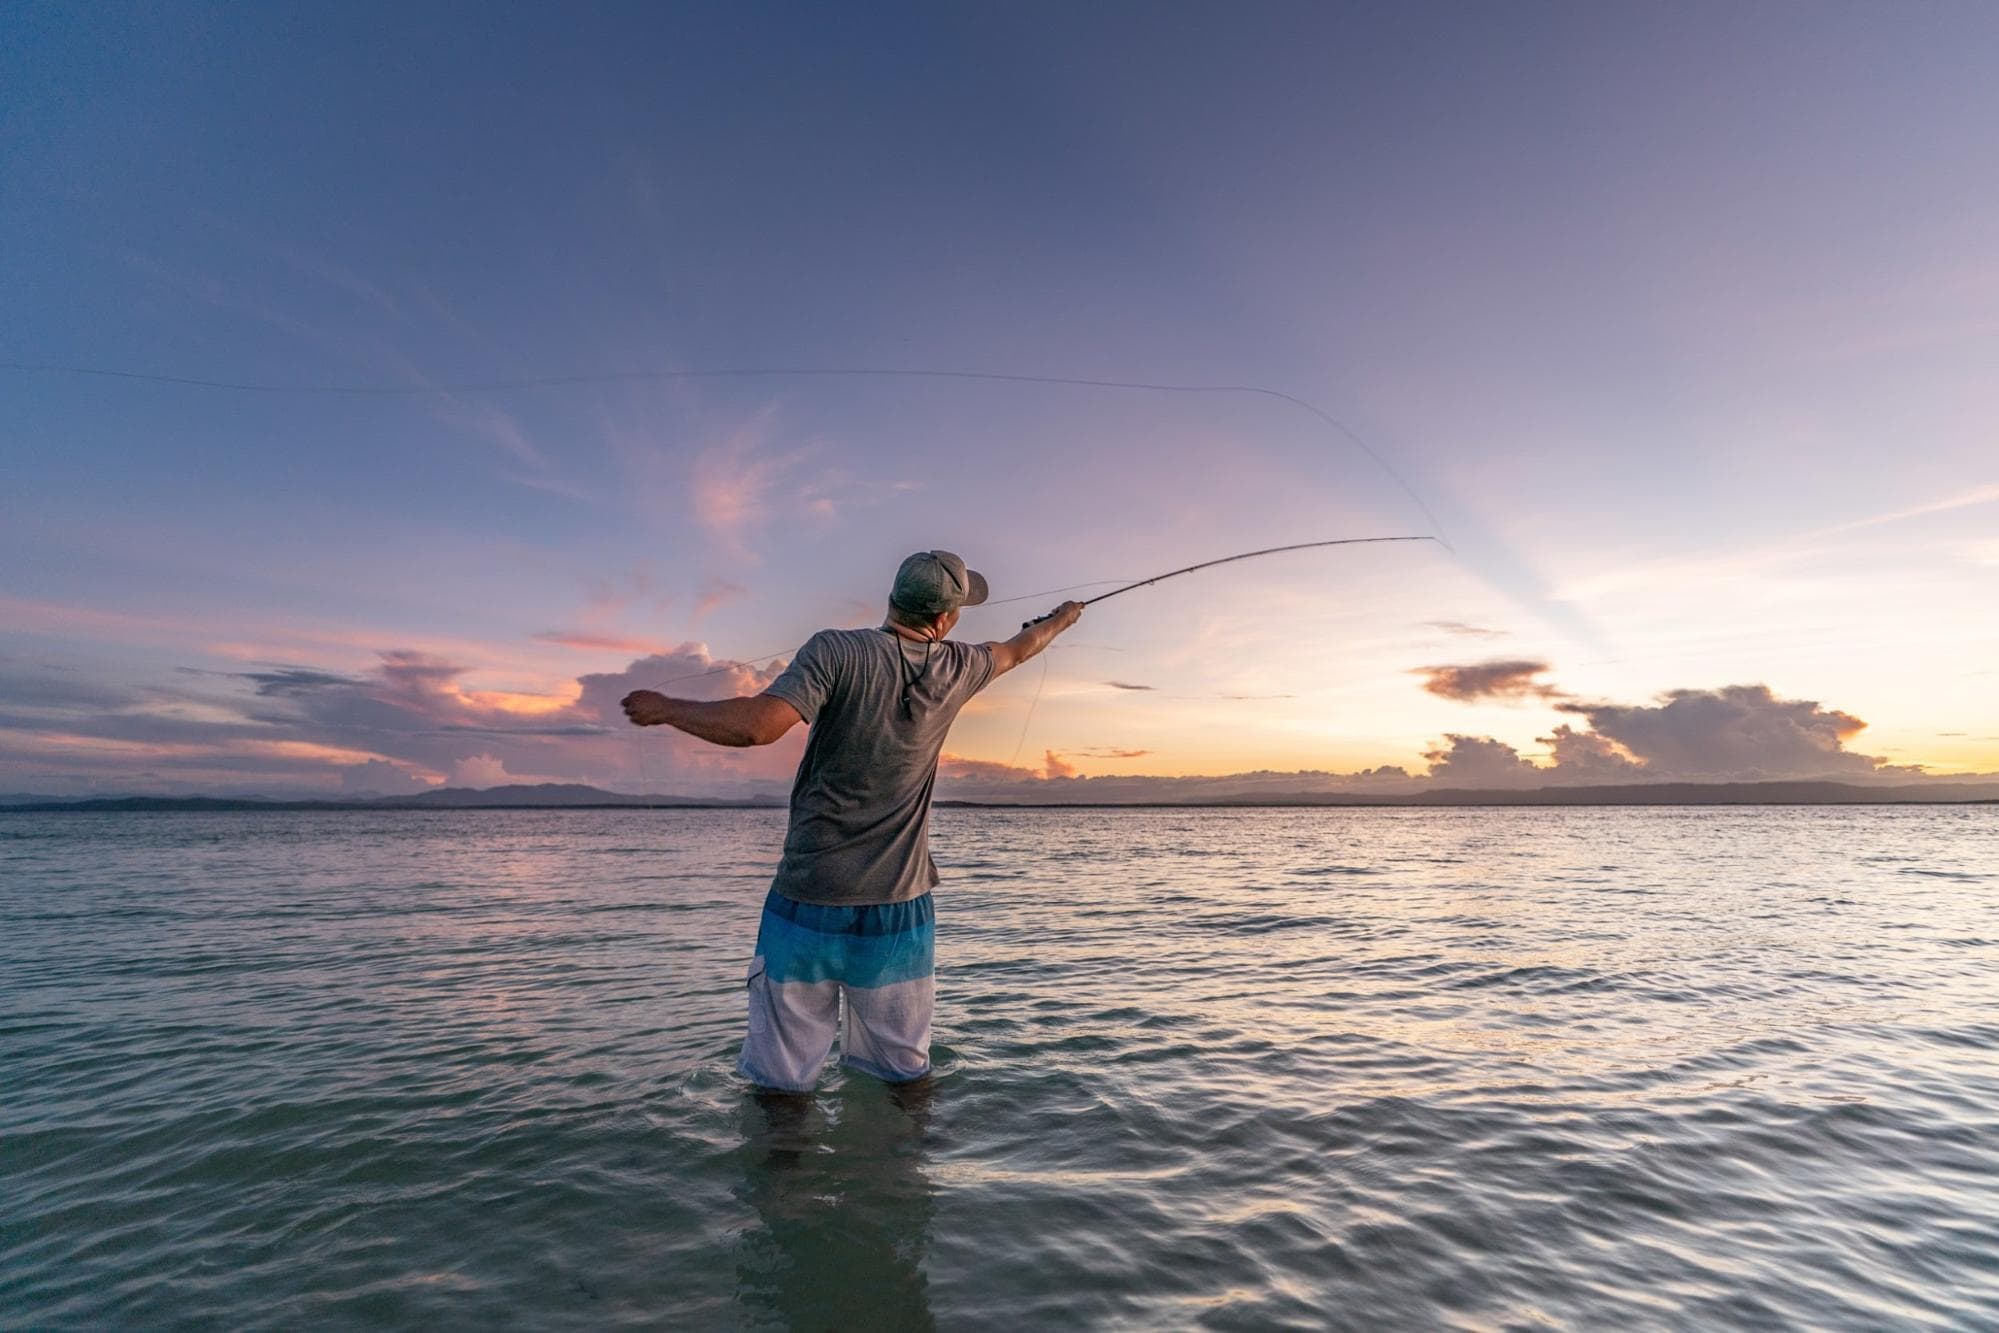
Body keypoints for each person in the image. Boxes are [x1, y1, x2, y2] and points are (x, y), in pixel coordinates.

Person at [621, 550, 1083, 1091]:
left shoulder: (834, 650)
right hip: (899, 910)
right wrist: (1062, 618)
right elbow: (1021, 648)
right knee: (904, 1079)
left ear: (892, 598)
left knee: (781, 1084)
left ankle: (785, 1147)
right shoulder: (962, 665)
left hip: (807, 901)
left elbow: (757, 727)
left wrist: (668, 708)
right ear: (945, 619)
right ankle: (905, 1150)